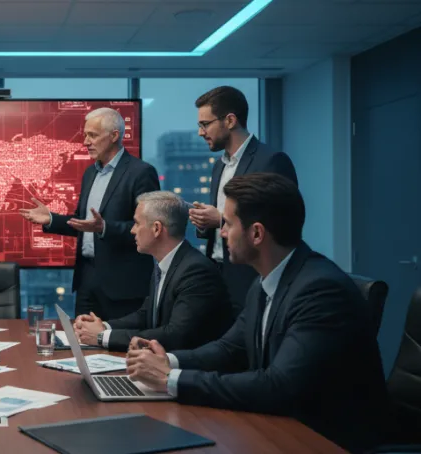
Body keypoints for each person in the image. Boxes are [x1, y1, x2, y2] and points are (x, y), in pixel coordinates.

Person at [126, 173, 386, 452]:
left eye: (227, 223)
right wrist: (170, 361)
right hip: (281, 426)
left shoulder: (319, 291)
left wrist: (170, 380)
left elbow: (278, 385)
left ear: (257, 233)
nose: (222, 232)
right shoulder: (265, 281)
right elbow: (229, 348)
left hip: (324, 440)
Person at [20, 107, 160, 320]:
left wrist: (104, 228)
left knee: (118, 348)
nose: (85, 142)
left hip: (123, 285)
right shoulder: (90, 173)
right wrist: (51, 219)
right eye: (85, 135)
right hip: (87, 280)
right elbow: (84, 223)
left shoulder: (141, 172)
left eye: (92, 135)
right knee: (83, 342)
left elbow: (149, 227)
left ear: (114, 136)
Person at [72, 191, 231, 351]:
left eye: (137, 223)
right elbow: (146, 315)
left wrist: (102, 337)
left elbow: (175, 335)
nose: (133, 230)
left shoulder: (196, 271)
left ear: (156, 228)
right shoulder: (165, 263)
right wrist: (104, 326)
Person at [187, 86, 297, 316]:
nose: (200, 132)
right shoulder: (219, 166)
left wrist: (220, 220)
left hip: (251, 278)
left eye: (205, 124)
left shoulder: (271, 161)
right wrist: (204, 223)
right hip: (218, 276)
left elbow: (281, 224)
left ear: (229, 120)